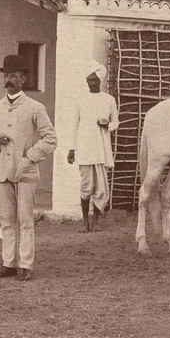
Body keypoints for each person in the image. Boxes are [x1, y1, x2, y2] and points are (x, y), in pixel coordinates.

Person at [0, 54, 57, 282]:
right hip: (3, 170)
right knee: (6, 219)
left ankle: (25, 264)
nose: (9, 80)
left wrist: (29, 157)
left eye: (14, 76)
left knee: (25, 220)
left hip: (25, 171)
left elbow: (50, 138)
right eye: (6, 76)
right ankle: (8, 263)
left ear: (23, 79)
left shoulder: (35, 107)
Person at [66, 60, 119, 233]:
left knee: (100, 188)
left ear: (100, 81)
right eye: (89, 80)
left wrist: (107, 125)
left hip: (101, 149)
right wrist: (72, 149)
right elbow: (74, 124)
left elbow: (115, 122)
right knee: (86, 186)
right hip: (84, 148)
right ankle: (84, 223)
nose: (92, 83)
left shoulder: (109, 99)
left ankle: (95, 221)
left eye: (95, 80)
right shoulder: (80, 100)